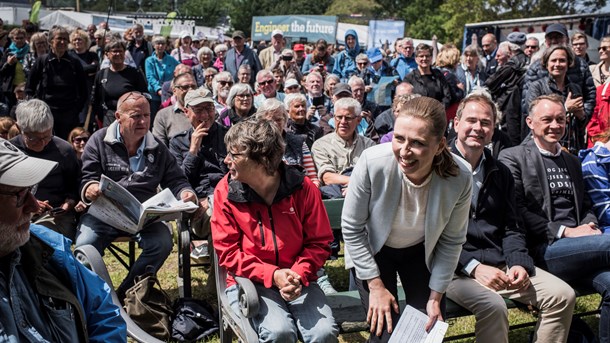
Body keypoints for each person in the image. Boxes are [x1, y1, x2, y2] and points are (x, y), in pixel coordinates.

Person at [446, 93, 575, 343]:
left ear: (494, 129)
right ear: (456, 124)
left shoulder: (500, 171)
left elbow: (512, 226)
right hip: (452, 269)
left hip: (500, 265)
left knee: (562, 295)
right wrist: (473, 267)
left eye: (486, 123)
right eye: (471, 120)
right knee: (494, 306)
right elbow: (430, 234)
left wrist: (518, 263)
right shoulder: (438, 169)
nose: (478, 128)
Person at [342, 96, 471, 342]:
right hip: (374, 251)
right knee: (384, 331)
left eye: (418, 143)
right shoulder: (372, 162)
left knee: (425, 331)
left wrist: (435, 298)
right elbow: (352, 229)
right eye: (399, 138)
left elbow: (452, 241)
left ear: (440, 144)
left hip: (419, 252)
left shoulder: (460, 177)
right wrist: (376, 286)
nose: (404, 151)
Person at [211, 118, 339, 342]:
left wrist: (298, 274)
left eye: (234, 155)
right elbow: (228, 252)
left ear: (261, 160)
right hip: (250, 282)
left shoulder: (301, 187)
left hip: (300, 279)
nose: (226, 160)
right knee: (279, 332)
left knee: (324, 333)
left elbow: (319, 242)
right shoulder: (226, 191)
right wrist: (272, 275)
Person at [499, 94, 610, 343]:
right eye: (547, 119)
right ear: (530, 122)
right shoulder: (512, 157)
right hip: (546, 249)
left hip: (584, 248)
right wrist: (566, 232)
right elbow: (517, 212)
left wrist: (589, 224)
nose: (555, 125)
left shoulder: (571, 160)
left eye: (560, 119)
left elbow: (586, 204)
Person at [75, 91, 199, 302]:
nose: (143, 121)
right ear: (118, 117)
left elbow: (176, 179)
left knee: (162, 242)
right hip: (104, 215)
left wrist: (186, 193)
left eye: (147, 115)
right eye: (135, 116)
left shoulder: (157, 147)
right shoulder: (98, 140)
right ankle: (96, 298)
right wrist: (91, 187)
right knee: (85, 246)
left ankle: (125, 293)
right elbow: (87, 177)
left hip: (143, 218)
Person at [0, 137, 127, 342]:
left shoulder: (48, 248)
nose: (34, 206)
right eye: (20, 195)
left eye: (31, 190)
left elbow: (103, 311)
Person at [169, 87, 228, 286]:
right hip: (197, 211)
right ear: (187, 112)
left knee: (220, 211)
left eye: (209, 109)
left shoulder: (229, 136)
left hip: (228, 200)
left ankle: (227, 278)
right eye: (198, 110)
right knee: (216, 216)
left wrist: (215, 198)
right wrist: (193, 150)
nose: (205, 115)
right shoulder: (178, 143)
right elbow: (178, 180)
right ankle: (218, 283)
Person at [10, 99, 81, 240]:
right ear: (19, 128)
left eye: (47, 136)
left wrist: (68, 204)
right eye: (34, 138)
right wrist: (29, 203)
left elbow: (76, 186)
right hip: (16, 215)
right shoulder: (10, 152)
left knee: (40, 236)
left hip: (55, 216)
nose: (42, 143)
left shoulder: (63, 151)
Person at [524, 45, 590, 153]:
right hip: (544, 147)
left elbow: (581, 125)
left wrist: (581, 116)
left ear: (569, 64)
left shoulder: (575, 88)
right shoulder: (537, 87)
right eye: (553, 60)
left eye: (562, 60)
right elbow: (533, 116)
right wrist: (565, 108)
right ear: (546, 64)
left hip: (572, 148)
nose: (557, 64)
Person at [26, 26, 87, 140]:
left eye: (65, 39)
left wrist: (76, 109)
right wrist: (36, 109)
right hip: (45, 113)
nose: (63, 42)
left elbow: (83, 91)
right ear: (50, 41)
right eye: (59, 38)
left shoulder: (74, 63)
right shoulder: (42, 61)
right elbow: (30, 88)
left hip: (69, 114)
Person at [311, 97, 375, 198]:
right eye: (339, 117)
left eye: (348, 118)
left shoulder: (369, 145)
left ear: (358, 120)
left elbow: (375, 176)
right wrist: (356, 183)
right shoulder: (321, 145)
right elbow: (327, 178)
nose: (343, 122)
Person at [91, 39, 148, 128]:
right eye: (114, 51)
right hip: (108, 118)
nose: (118, 54)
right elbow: (95, 99)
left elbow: (145, 95)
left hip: (130, 117)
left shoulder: (135, 73)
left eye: (120, 51)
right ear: (107, 54)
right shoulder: (101, 74)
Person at [152, 72, 198, 146]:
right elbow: (160, 147)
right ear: (174, 91)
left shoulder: (208, 112)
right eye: (185, 87)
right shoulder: (163, 115)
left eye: (193, 86)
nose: (191, 90)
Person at [405, 43, 452, 109]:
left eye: (427, 56)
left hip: (436, 114)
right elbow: (405, 99)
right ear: (416, 58)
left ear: (431, 57)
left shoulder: (438, 75)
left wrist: (438, 109)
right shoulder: (409, 78)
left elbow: (447, 96)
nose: (424, 58)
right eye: (421, 56)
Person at [69, 28, 99, 125]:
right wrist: (86, 70)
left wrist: (78, 70)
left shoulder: (92, 55)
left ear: (85, 41)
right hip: (73, 92)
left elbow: (94, 67)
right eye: (75, 40)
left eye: (80, 39)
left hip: (88, 92)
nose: (77, 41)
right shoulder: (69, 55)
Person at [145, 35, 179, 119]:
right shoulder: (149, 60)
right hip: (155, 95)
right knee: (155, 117)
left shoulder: (171, 59)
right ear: (154, 45)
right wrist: (159, 89)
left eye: (162, 44)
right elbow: (150, 77)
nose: (160, 46)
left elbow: (180, 68)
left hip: (168, 94)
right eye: (158, 44)